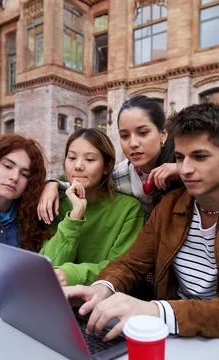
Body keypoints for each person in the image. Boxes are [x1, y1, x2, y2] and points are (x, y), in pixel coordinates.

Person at [64, 102, 219, 340]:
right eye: (179, 158)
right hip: (177, 335)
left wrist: (154, 310)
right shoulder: (170, 206)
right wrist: (100, 289)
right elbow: (131, 263)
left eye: (199, 157)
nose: (185, 169)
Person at [37, 95, 180, 224]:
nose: (133, 143)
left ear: (163, 134)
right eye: (124, 136)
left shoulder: (183, 162)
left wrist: (182, 170)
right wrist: (52, 185)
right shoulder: (121, 175)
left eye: (143, 133)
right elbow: (89, 181)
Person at [40, 128, 143, 286]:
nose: (78, 166)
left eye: (89, 159)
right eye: (72, 157)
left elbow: (121, 268)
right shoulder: (53, 203)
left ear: (107, 166)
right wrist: (74, 216)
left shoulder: (129, 209)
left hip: (106, 302)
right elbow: (47, 265)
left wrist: (73, 274)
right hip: (52, 299)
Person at [0, 133, 48, 251]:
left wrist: (53, 184)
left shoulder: (32, 218)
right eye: (7, 166)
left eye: (24, 174)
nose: (15, 177)